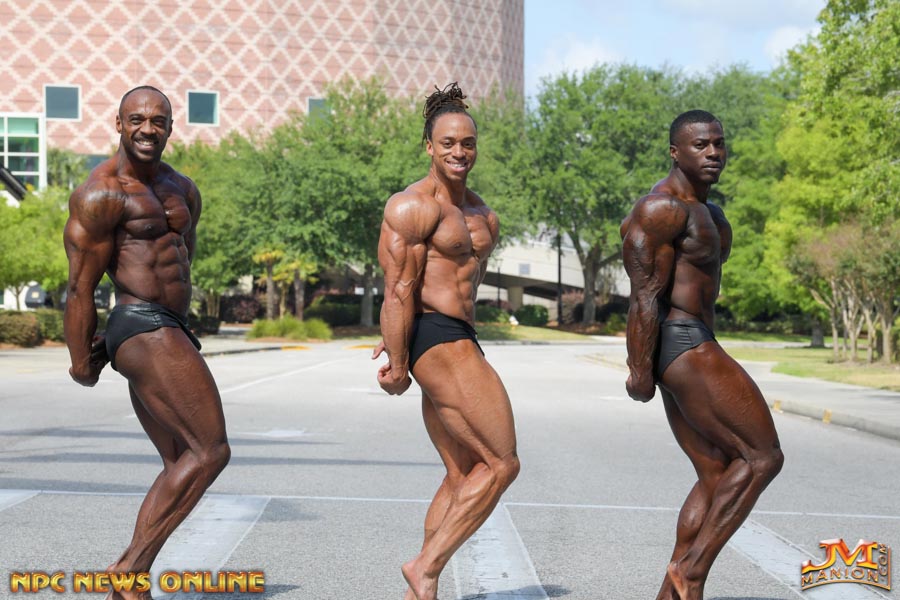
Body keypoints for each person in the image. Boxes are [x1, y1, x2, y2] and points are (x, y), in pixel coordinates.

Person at [64, 86, 230, 599]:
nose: (147, 129)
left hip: (169, 327)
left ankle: (129, 585)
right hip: (139, 322)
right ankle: (127, 570)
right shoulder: (101, 193)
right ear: (118, 123)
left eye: (158, 121)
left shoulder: (183, 189)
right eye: (136, 119)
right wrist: (80, 360)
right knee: (211, 451)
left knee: (183, 459)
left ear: (171, 128)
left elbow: (184, 256)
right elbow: (80, 286)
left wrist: (182, 327)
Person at [620, 110, 784, 600]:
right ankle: (691, 572)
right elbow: (645, 294)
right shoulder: (661, 209)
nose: (713, 152)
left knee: (716, 474)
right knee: (762, 457)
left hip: (692, 340)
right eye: (700, 145)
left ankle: (671, 594)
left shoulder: (711, 214)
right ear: (675, 152)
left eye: (718, 143)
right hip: (685, 342)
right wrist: (638, 369)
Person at [372, 82, 520, 600]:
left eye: (468, 143)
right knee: (502, 463)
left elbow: (467, 286)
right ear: (429, 147)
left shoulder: (484, 216)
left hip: (460, 335)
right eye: (449, 143)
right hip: (436, 336)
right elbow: (399, 287)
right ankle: (426, 568)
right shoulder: (412, 206)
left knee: (462, 473)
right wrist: (397, 359)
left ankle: (420, 593)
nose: (460, 152)